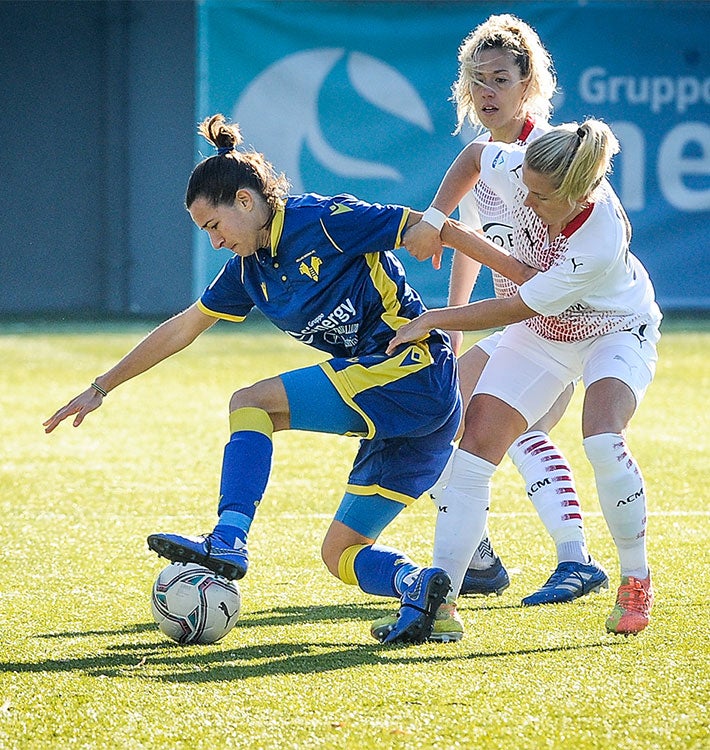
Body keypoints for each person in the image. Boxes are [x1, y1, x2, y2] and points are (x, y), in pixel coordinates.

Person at [43, 114, 529, 645]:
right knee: (340, 554)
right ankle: (424, 589)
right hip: (402, 413)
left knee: (251, 403)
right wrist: (100, 387)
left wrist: (522, 281)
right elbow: (183, 328)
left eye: (214, 226)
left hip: (411, 373)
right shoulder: (249, 271)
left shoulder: (320, 220)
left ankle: (229, 540)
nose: (215, 240)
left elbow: (437, 228)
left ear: (245, 202)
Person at [388, 119, 661, 638]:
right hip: (543, 332)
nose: (528, 201)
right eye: (526, 187)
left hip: (616, 330)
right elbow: (473, 157)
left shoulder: (598, 239)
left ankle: (635, 578)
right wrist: (435, 218)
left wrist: (432, 318)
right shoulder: (523, 164)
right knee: (473, 448)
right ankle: (438, 603)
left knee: (602, 439)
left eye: (540, 196)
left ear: (577, 194)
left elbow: (513, 304)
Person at [420, 15, 606, 610]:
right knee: (435, 420)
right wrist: (450, 321)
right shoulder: (489, 159)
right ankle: (478, 561)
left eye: (500, 78)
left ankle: (576, 560)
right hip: (525, 322)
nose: (486, 92)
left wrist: (435, 225)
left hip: (573, 324)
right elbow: (470, 245)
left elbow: (536, 269)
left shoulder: (545, 158)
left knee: (513, 432)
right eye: (477, 81)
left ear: (530, 83)